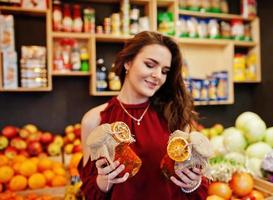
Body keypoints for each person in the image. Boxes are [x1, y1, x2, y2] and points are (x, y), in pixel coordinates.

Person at [78, 31, 209, 200]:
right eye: (149, 64)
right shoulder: (94, 120)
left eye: (164, 71)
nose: (158, 76)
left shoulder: (173, 115)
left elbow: (193, 184)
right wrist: (104, 180)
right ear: (128, 62)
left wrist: (192, 184)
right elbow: (89, 191)